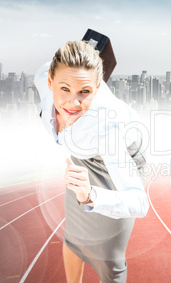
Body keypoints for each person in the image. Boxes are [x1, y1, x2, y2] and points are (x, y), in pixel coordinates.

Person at [34, 40, 149, 283]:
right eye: (64, 89)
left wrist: (90, 196)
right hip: (83, 153)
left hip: (120, 156)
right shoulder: (42, 75)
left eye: (84, 92)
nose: (72, 104)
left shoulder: (107, 129)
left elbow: (139, 202)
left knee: (110, 258)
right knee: (74, 238)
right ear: (49, 82)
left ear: (97, 88)